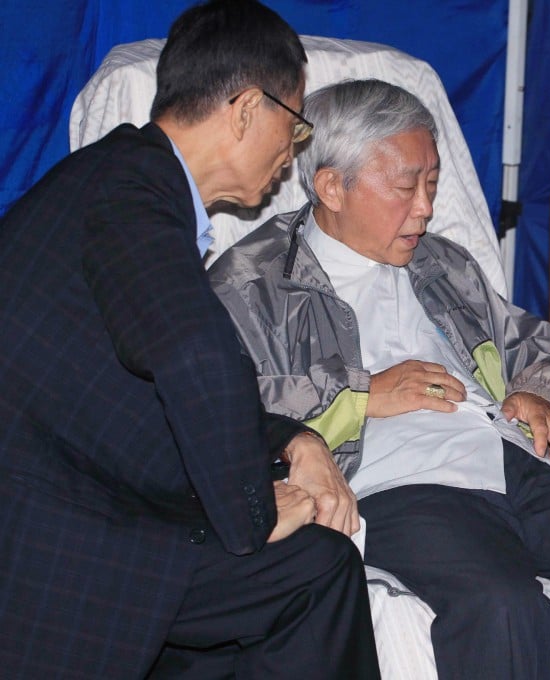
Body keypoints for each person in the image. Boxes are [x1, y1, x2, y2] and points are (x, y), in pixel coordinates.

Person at [209, 78, 550, 680]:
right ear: (332, 186)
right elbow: (226, 408)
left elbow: (548, 355)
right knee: (505, 610)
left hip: (516, 463)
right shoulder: (250, 283)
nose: (425, 208)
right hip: (401, 484)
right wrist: (362, 394)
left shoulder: (443, 263)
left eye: (432, 184)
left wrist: (537, 394)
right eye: (405, 185)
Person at [0, 2, 381, 678]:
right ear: (243, 110)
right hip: (55, 540)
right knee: (315, 570)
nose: (291, 158)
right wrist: (254, 511)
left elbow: (161, 383)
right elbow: (193, 357)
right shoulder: (133, 189)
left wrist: (296, 439)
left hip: (75, 493)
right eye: (293, 127)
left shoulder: (115, 180)